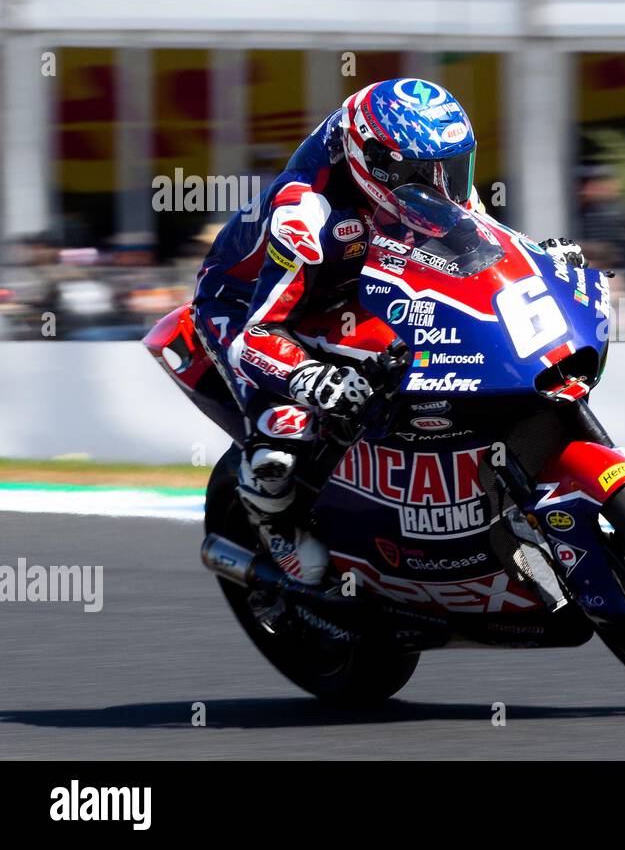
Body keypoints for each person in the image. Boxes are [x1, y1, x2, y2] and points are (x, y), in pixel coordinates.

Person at [192, 78, 583, 584]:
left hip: (354, 281)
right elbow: (257, 336)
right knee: (285, 429)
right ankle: (276, 524)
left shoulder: (421, 174)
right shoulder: (305, 217)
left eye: (454, 166)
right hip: (245, 305)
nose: (445, 185)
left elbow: (480, 241)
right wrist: (311, 377)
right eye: (427, 174)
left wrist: (537, 257)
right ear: (378, 166)